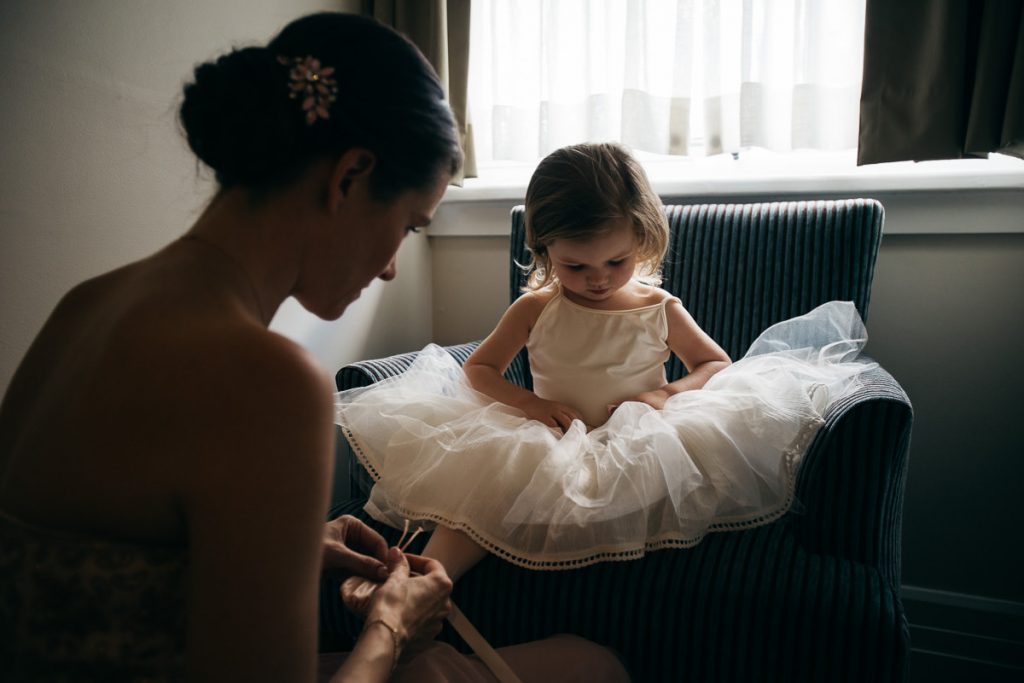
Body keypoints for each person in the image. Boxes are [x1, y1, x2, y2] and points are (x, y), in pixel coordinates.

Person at [0, 12, 628, 683]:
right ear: (351, 176)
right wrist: (393, 626)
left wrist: (298, 546)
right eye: (409, 226)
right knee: (589, 666)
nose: (390, 266)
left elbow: (102, 566)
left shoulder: (88, 304)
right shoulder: (267, 378)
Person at [334, 142, 878, 582]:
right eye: (574, 266)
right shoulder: (535, 307)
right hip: (550, 435)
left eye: (615, 261)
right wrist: (530, 403)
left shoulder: (659, 308)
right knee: (490, 488)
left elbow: (715, 365)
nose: (597, 278)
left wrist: (665, 394)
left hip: (639, 436)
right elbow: (478, 371)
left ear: (642, 240)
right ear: (545, 251)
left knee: (657, 486)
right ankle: (429, 581)